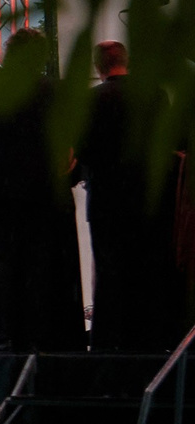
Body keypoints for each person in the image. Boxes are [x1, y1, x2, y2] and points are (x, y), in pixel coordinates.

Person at [0, 54, 87, 353]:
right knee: (38, 260)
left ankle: (5, 333)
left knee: (2, 260)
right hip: (40, 187)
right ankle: (39, 331)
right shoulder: (54, 89)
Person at [77, 39, 185, 352]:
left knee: (112, 275)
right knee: (150, 269)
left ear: (98, 67)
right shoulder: (154, 95)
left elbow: (84, 151)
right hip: (151, 200)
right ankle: (153, 339)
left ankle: (113, 344)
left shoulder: (91, 100)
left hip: (108, 203)